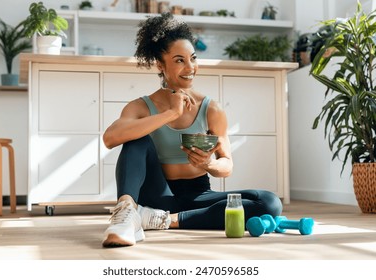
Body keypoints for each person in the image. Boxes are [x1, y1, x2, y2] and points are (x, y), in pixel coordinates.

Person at [102, 13, 282, 247]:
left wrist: (208, 164)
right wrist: (170, 114)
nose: (190, 67)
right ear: (160, 64)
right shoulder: (140, 107)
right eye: (179, 60)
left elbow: (226, 166)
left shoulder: (211, 109)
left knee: (269, 202)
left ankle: (160, 220)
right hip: (155, 195)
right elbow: (110, 138)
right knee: (136, 139)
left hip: (198, 196)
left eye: (193, 58)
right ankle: (125, 215)